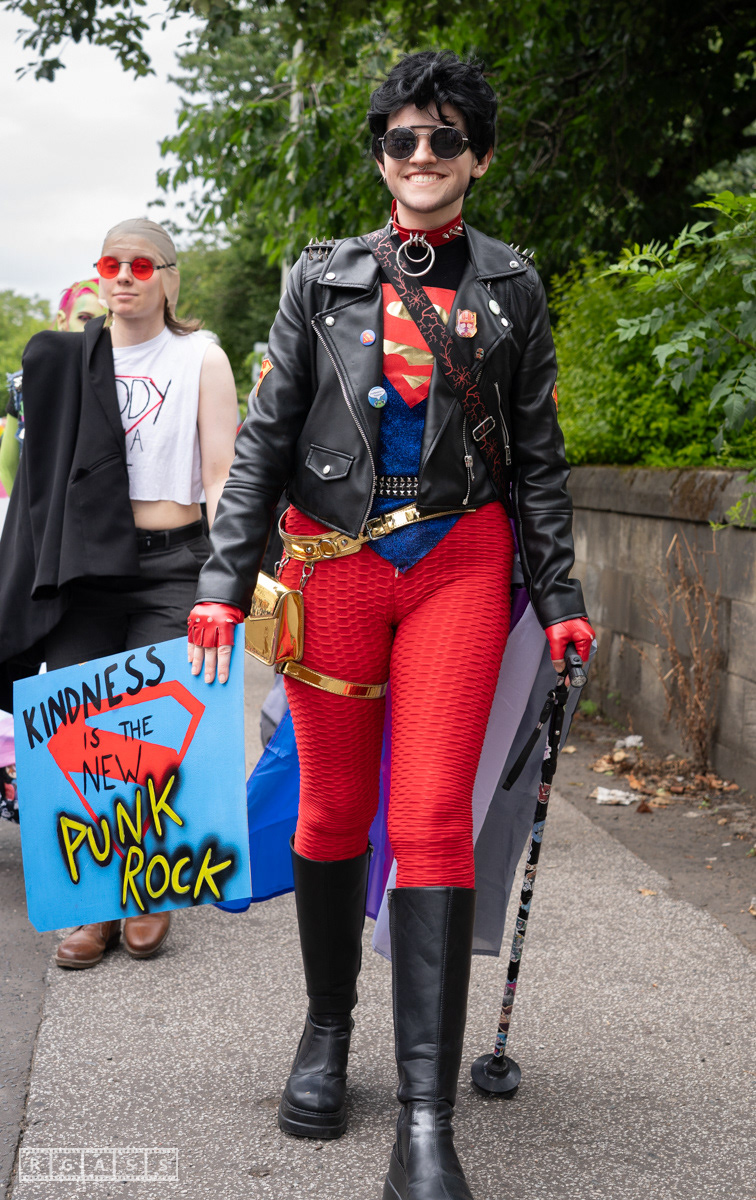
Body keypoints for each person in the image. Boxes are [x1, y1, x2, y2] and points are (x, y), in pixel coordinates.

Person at [188, 52, 595, 1200]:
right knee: (329, 809)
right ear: (381, 157)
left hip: (459, 567)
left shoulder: (514, 285)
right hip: (333, 570)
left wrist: (559, 598)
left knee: (427, 819)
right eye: (405, 138)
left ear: (480, 158)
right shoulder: (319, 279)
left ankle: (425, 1118)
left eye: (446, 138)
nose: (424, 155)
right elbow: (267, 440)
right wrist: (223, 579)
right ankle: (327, 1031)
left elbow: (538, 459)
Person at [0, 218, 238, 969]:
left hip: (174, 564)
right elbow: (38, 476)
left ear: (169, 278)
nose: (126, 276)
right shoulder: (70, 360)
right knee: (80, 732)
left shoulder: (201, 357)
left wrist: (226, 583)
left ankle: (148, 887)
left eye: (142, 264)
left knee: (149, 731)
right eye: (111, 264)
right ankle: (93, 903)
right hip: (88, 569)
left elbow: (221, 475)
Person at [0, 280, 107, 496]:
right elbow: (8, 465)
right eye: (85, 318)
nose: (95, 329)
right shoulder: (25, 384)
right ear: (62, 320)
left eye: (106, 321)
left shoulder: (121, 381)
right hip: (42, 512)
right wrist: (25, 514)